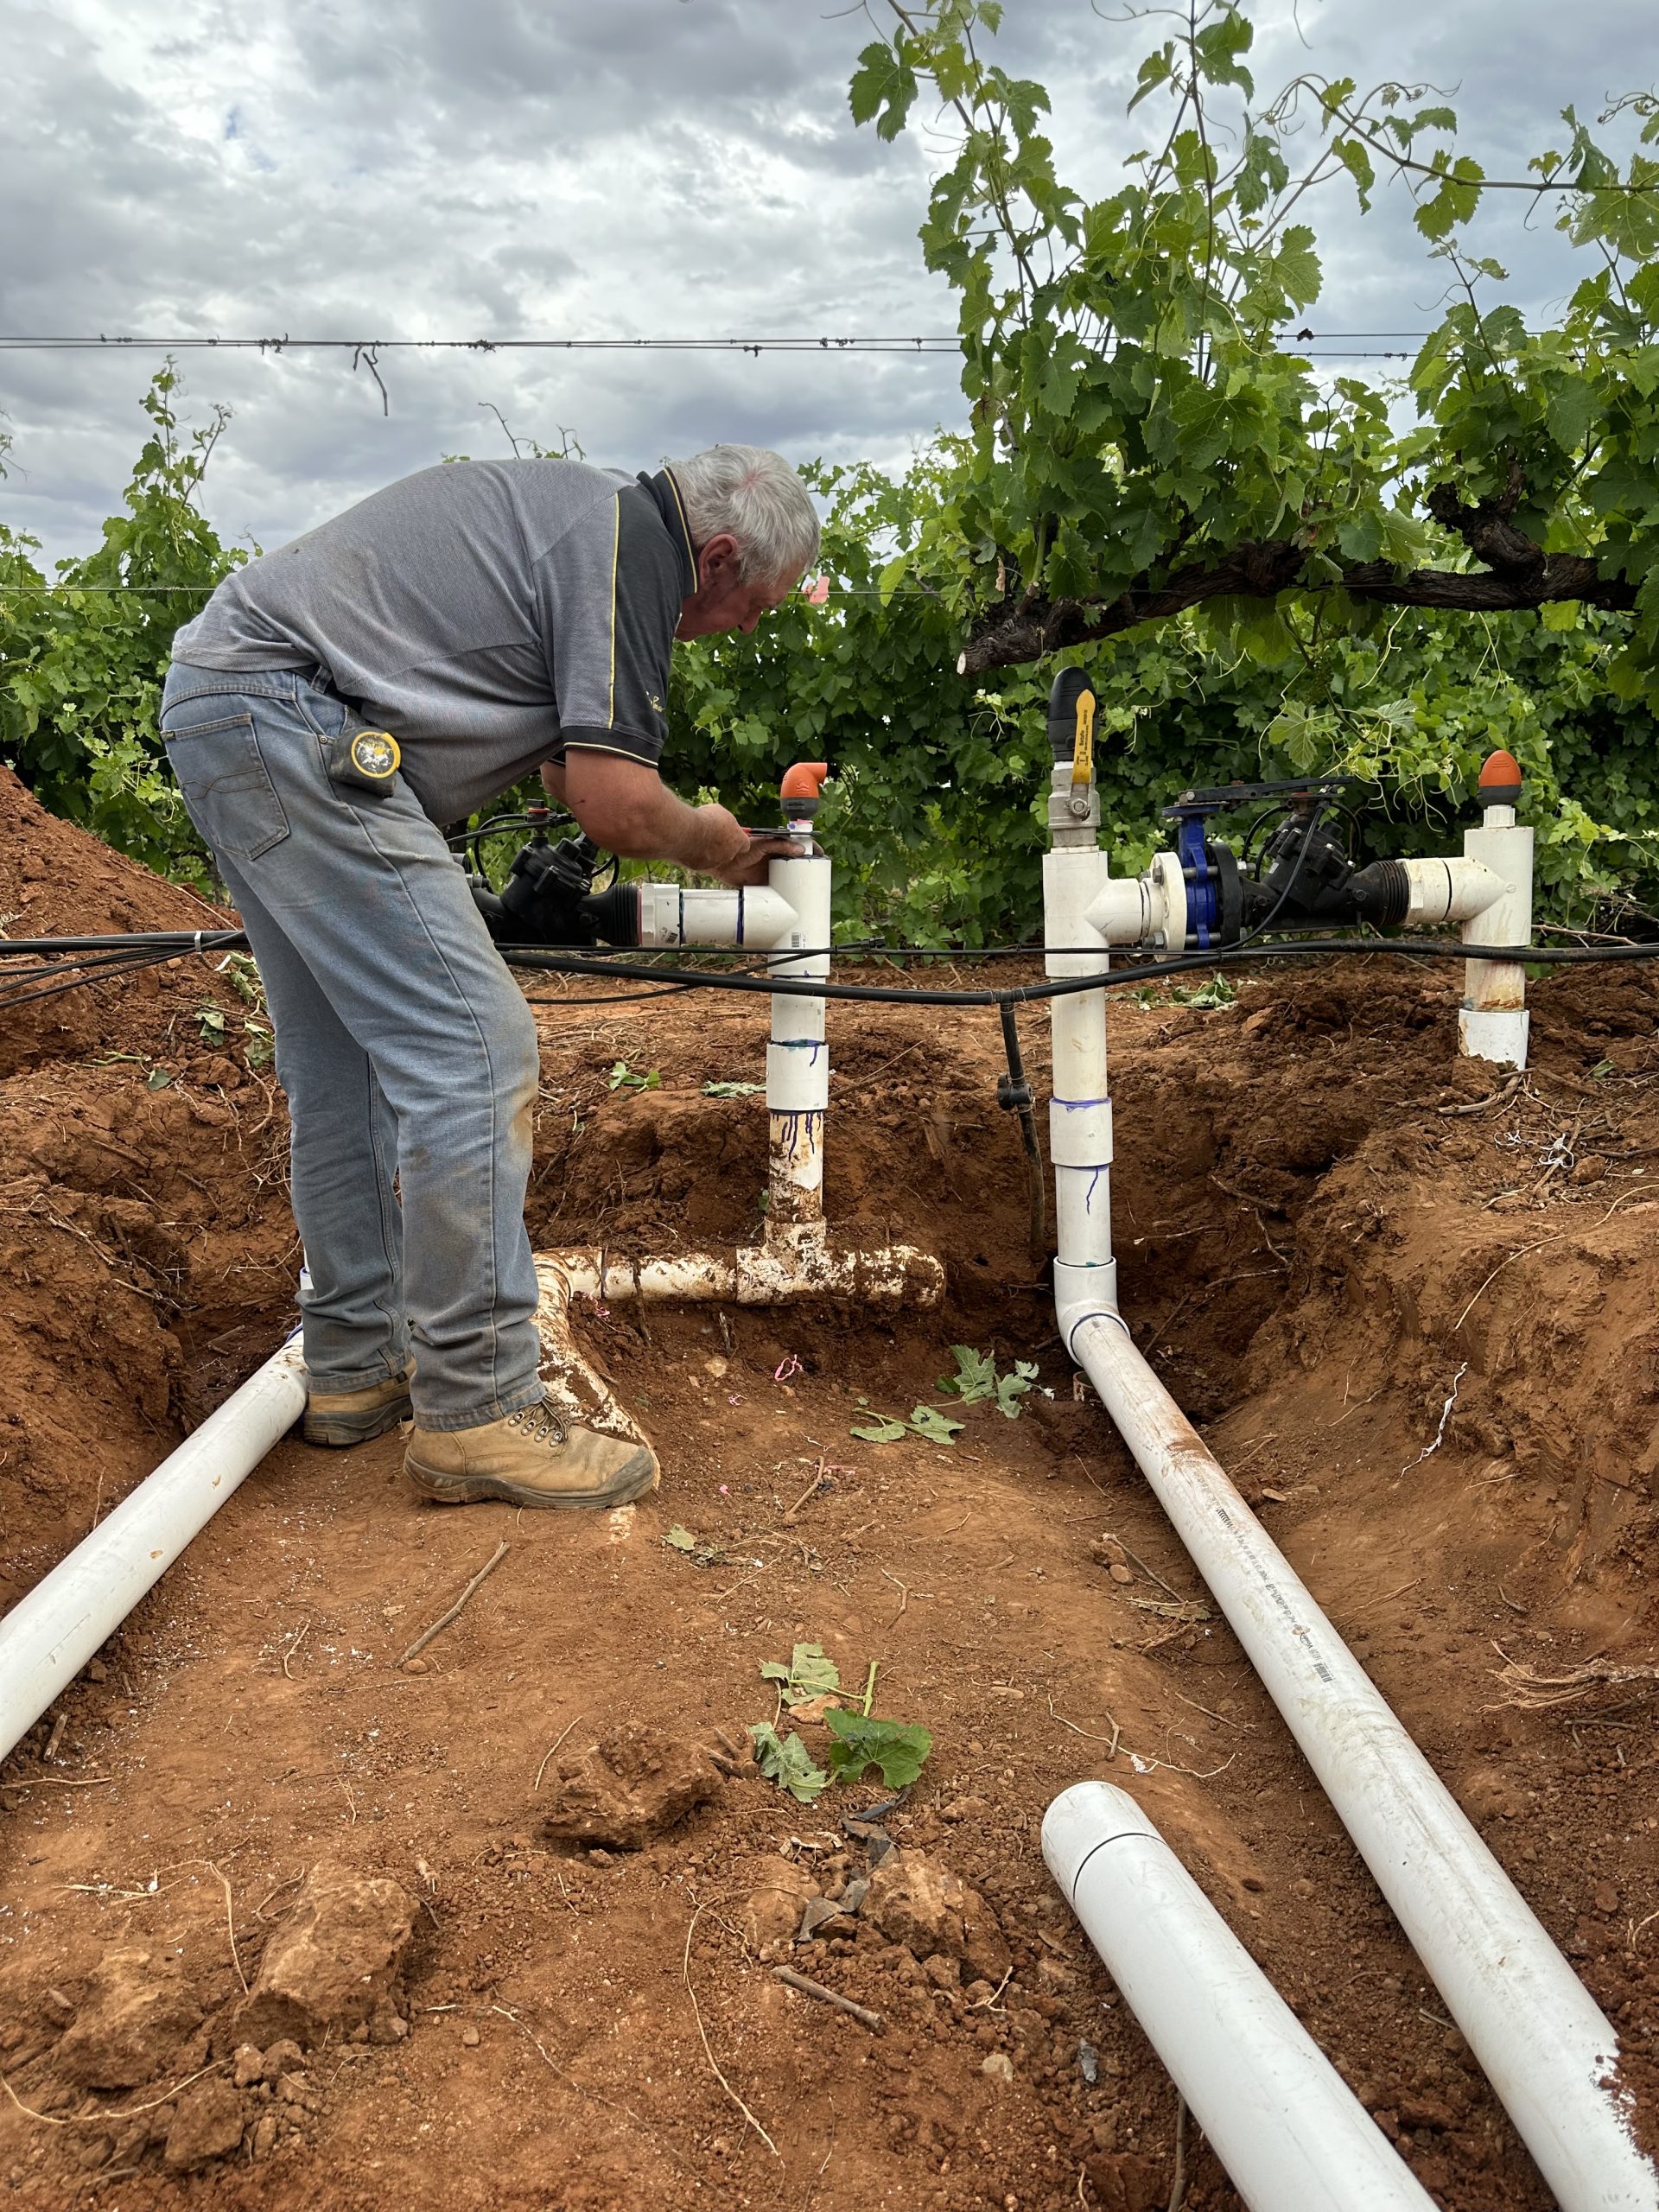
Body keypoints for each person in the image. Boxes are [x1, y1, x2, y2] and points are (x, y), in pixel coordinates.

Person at [162, 445, 818, 1511]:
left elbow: (565, 767)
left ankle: (354, 1363)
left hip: (231, 705)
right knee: (477, 1050)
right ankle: (476, 1408)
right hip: (295, 718)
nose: (749, 627)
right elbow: (611, 800)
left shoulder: (586, 516)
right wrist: (713, 842)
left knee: (345, 1063)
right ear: (720, 555)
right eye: (757, 605)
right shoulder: (630, 548)